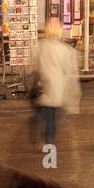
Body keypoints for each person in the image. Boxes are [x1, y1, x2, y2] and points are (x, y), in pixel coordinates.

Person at [32, 18, 80, 146]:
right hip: (57, 88)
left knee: (46, 115)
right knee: (51, 116)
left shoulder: (40, 46)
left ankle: (46, 140)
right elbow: (69, 71)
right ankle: (49, 142)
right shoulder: (65, 50)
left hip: (43, 87)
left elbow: (34, 66)